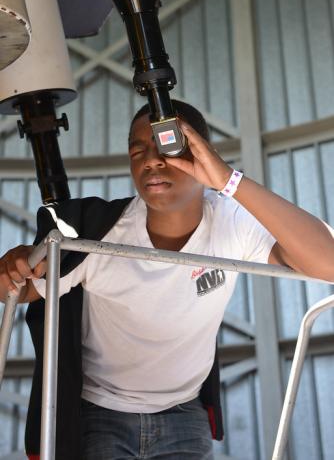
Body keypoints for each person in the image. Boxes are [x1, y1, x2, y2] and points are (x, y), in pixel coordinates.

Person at [0, 100, 334, 460]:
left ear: (204, 153)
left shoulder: (232, 222)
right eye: (137, 150)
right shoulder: (99, 232)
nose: (151, 160)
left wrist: (227, 180)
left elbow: (328, 263)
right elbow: (15, 292)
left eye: (168, 146)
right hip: (98, 415)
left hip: (185, 414)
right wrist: (12, 266)